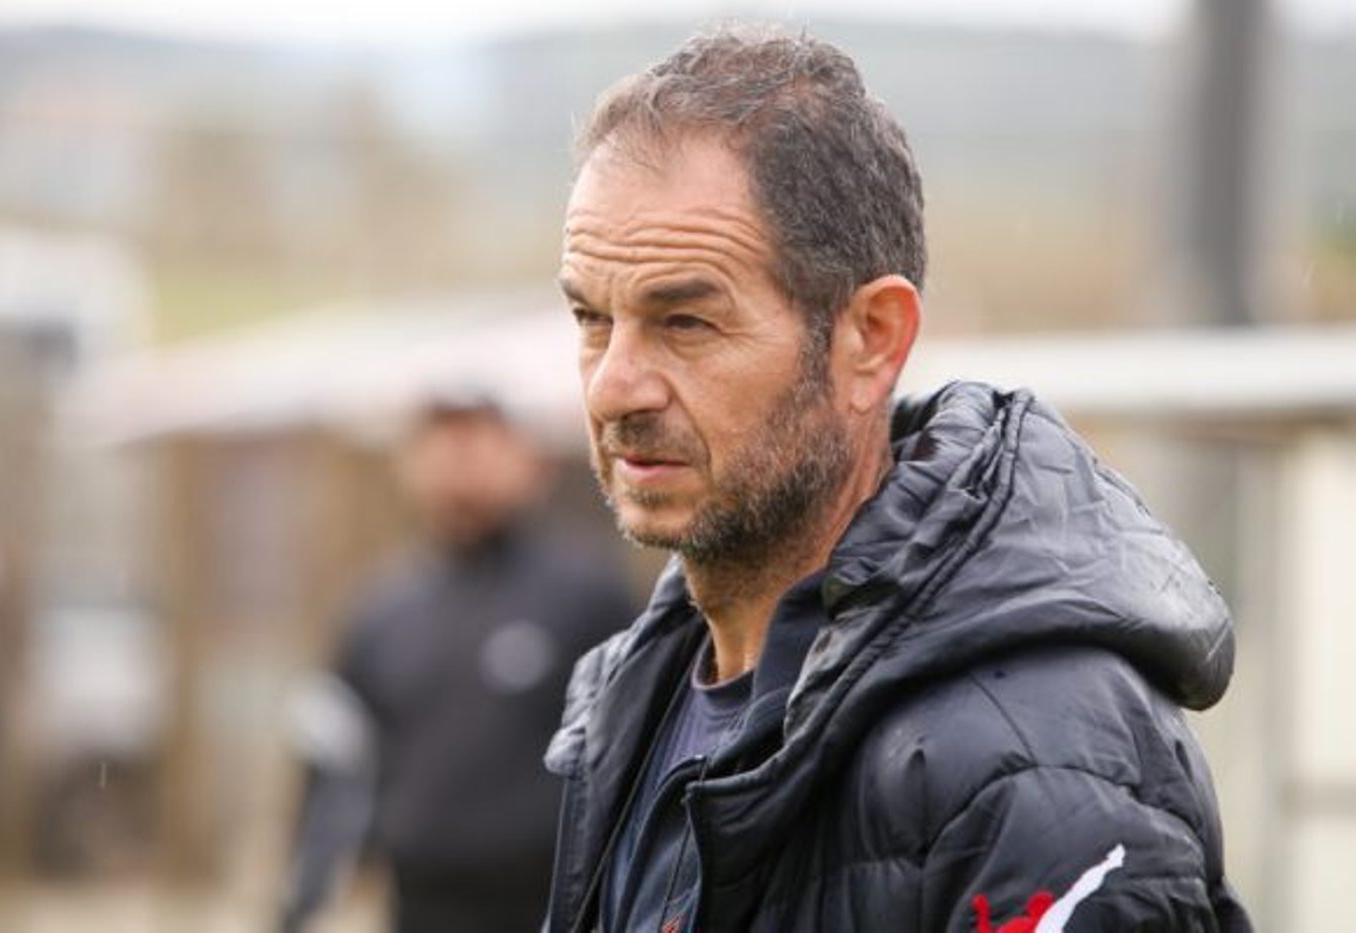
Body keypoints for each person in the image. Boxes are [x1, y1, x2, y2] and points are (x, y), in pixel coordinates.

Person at [545, 26, 1252, 933]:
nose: (613, 387)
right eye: (591, 318)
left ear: (871, 339)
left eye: (685, 322)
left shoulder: (1036, 764)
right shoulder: (630, 700)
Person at [279, 396, 634, 933]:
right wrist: (302, 899)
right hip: (420, 907)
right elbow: (335, 764)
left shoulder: (588, 596)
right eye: (443, 441)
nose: (461, 461)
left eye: (481, 439)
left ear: (528, 460)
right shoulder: (379, 613)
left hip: (553, 905)